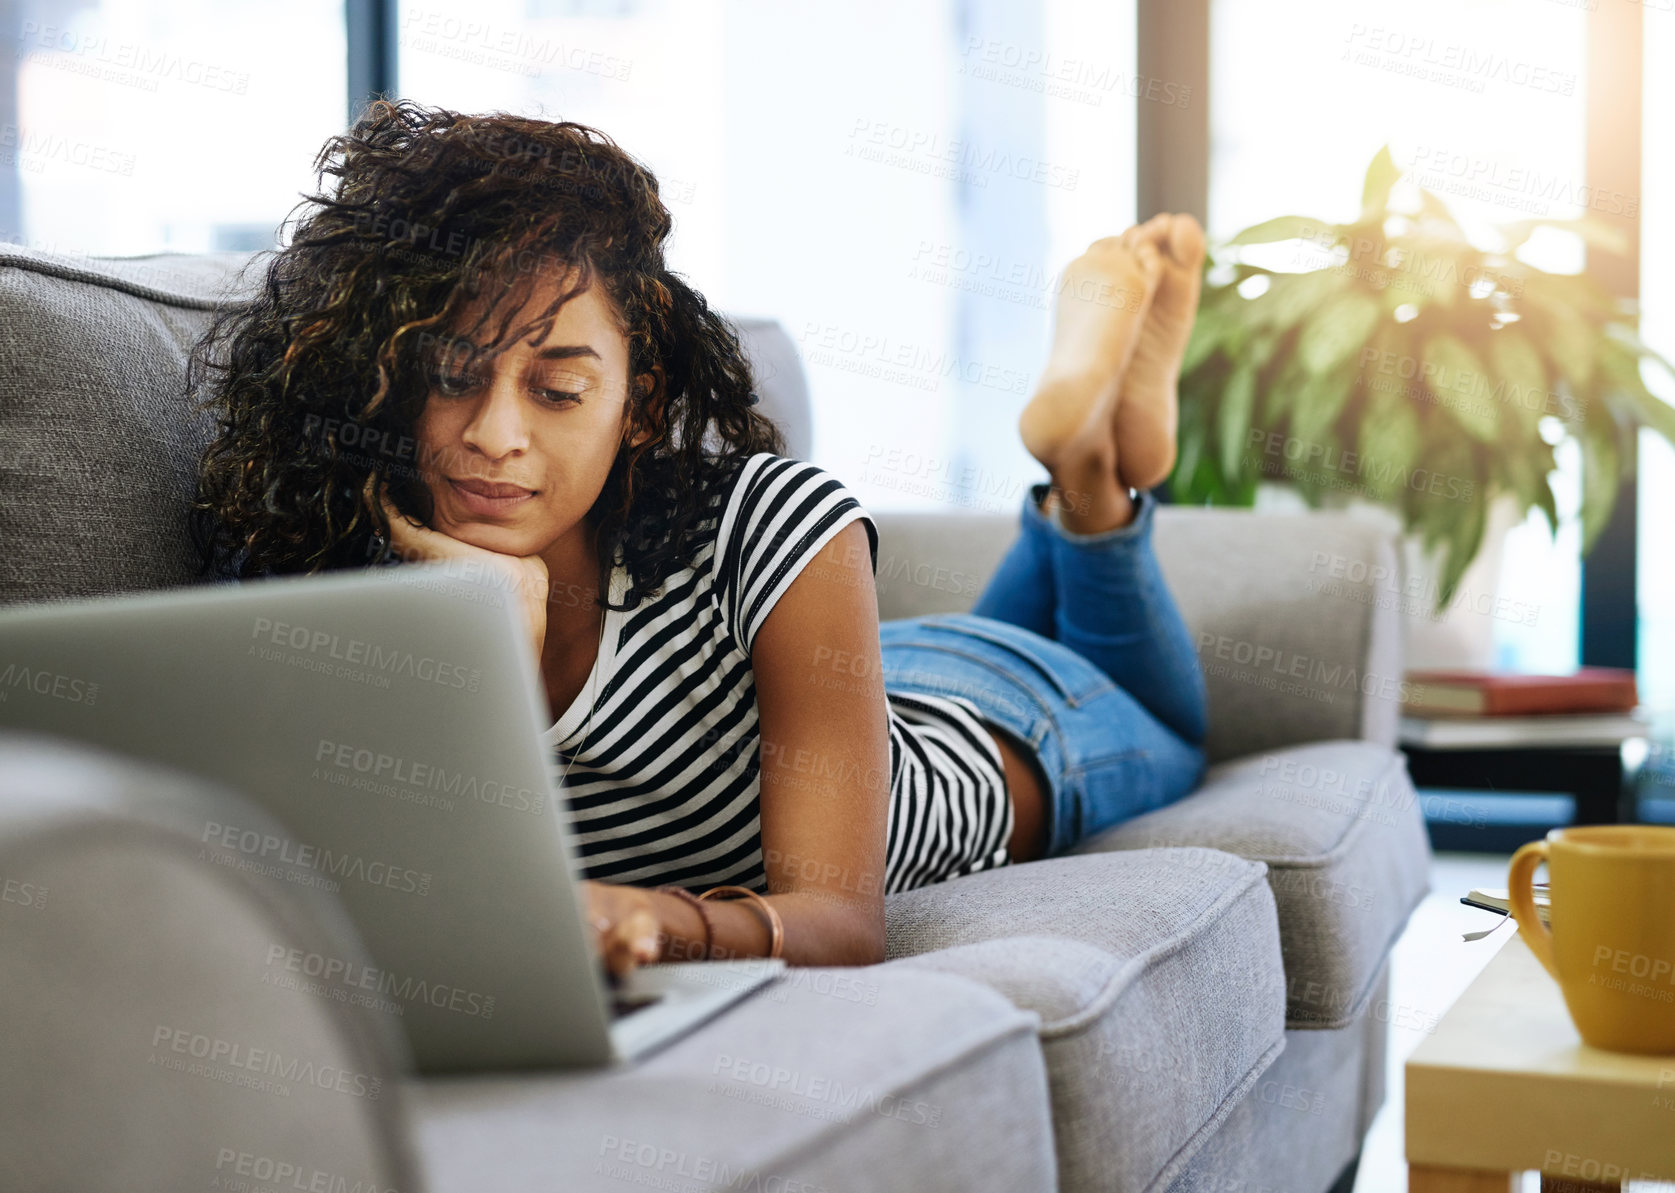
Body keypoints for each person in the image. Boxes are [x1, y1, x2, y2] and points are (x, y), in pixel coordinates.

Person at [188, 99, 1209, 980]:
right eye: (452, 375)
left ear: (639, 404)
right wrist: (484, 641)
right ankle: (1086, 459)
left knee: (1175, 726)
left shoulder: (769, 525)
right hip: (859, 690)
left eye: (557, 389)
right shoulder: (341, 586)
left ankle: (1087, 479)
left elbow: (842, 926)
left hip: (1001, 726)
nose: (495, 435)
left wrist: (658, 919)